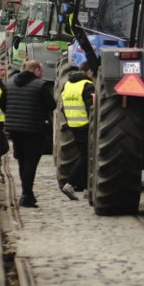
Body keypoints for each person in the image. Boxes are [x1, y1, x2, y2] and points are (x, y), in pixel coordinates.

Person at [4, 60, 55, 208]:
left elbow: (2, 103)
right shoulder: (40, 85)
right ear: (37, 70)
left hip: (15, 129)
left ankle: (28, 194)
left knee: (22, 161)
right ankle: (26, 195)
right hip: (34, 129)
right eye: (41, 71)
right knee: (30, 163)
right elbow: (51, 105)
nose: (43, 73)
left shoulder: (9, 83)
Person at [59, 62, 95, 200]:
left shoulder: (67, 85)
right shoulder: (87, 85)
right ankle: (70, 184)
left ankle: (87, 188)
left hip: (73, 124)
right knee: (86, 156)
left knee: (84, 155)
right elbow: (91, 108)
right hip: (85, 124)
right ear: (89, 72)